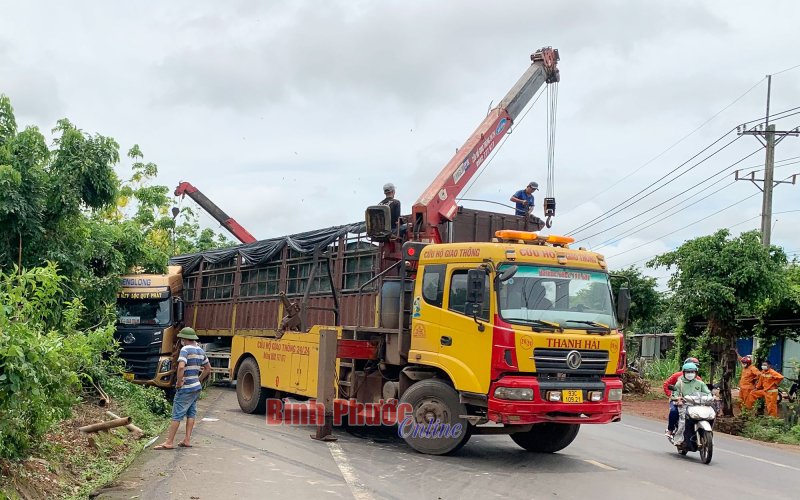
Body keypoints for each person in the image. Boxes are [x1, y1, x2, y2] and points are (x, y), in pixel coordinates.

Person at [155, 327, 212, 450]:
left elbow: (181, 367)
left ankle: (169, 442)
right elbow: (208, 368)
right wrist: (199, 379)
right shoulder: (200, 351)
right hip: (196, 387)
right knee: (191, 413)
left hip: (185, 388)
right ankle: (187, 439)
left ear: (185, 339)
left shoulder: (185, 349)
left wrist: (180, 382)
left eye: (181, 338)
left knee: (177, 415)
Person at [669, 362, 711, 444]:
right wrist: (678, 398)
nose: (690, 374)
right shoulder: (679, 383)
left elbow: (707, 392)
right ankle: (678, 438)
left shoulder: (700, 383)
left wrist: (711, 396)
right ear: (684, 373)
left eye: (692, 372)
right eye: (688, 372)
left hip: (698, 405)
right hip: (685, 406)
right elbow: (674, 395)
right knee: (682, 421)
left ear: (696, 373)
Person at [663, 357, 702, 436]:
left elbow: (702, 390)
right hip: (677, 400)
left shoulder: (698, 379)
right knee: (674, 411)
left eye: (696, 367)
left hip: (692, 401)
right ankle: (670, 430)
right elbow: (666, 384)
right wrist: (671, 395)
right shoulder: (677, 376)